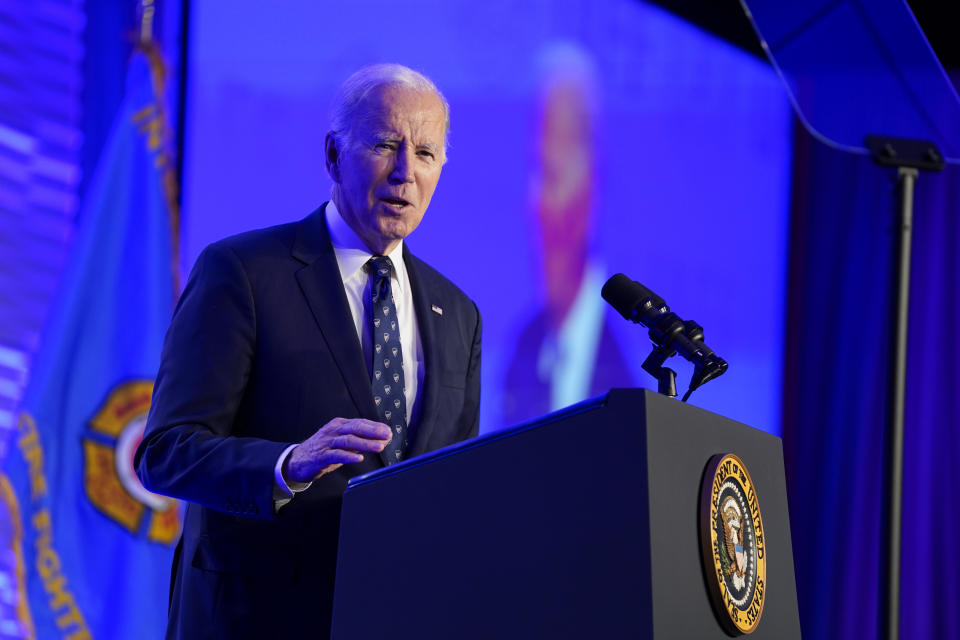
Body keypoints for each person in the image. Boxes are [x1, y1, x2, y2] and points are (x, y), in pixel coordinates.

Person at [135, 63, 481, 639]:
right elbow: (167, 450)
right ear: (333, 155)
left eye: (426, 153)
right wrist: (286, 465)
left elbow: (457, 484)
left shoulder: (458, 314)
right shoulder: (244, 272)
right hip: (254, 619)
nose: (405, 172)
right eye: (385, 144)